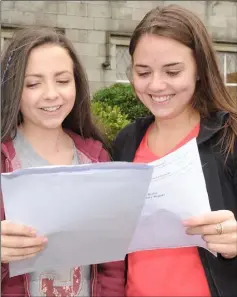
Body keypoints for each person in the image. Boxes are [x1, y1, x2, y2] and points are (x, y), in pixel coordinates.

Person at [112, 4, 237, 297]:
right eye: (143, 72)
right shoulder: (126, 142)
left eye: (172, 71)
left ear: (199, 70)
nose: (156, 85)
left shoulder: (229, 136)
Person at [1, 27, 124, 297]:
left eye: (63, 80)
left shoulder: (96, 159)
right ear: (13, 89)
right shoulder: (5, 161)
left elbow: (112, 264)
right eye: (33, 83)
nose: (51, 94)